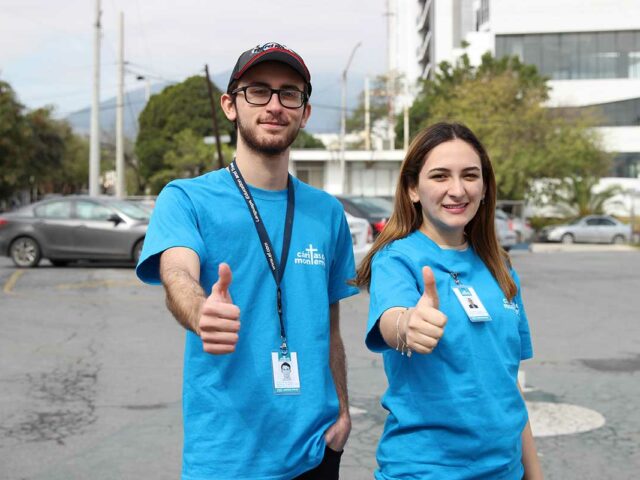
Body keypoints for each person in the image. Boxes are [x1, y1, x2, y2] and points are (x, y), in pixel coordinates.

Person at [136, 42, 358, 480]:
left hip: (316, 451)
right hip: (226, 457)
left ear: (305, 112)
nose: (274, 105)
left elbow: (328, 326)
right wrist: (202, 311)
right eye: (258, 90)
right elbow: (176, 271)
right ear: (230, 105)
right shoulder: (186, 198)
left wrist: (344, 413)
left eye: (289, 93)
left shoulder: (327, 213)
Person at [354, 122, 543, 479]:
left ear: (485, 187)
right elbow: (392, 319)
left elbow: (510, 387)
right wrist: (408, 325)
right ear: (412, 188)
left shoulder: (500, 266)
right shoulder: (397, 259)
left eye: (470, 176)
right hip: (425, 470)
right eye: (440, 176)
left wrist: (534, 474)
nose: (457, 190)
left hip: (506, 471)